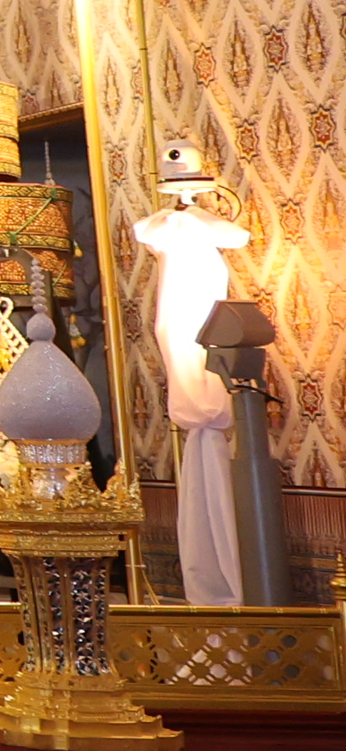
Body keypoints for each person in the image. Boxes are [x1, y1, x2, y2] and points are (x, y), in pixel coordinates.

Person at [134, 144, 252, 606]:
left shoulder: (182, 227)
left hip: (195, 325)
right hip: (184, 325)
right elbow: (236, 237)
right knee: (191, 361)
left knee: (199, 367)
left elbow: (234, 238)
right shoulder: (167, 225)